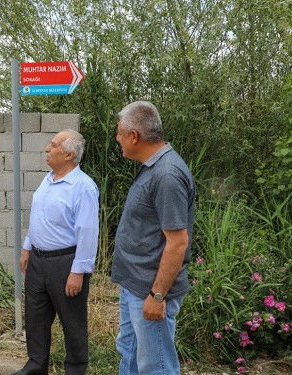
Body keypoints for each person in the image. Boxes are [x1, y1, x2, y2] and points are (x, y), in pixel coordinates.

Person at [111, 101, 195, 375]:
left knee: (155, 366)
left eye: (120, 133)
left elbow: (178, 242)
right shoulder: (152, 166)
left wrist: (157, 296)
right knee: (132, 356)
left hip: (149, 290)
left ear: (134, 136)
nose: (117, 138)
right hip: (135, 285)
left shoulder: (166, 174)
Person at [11, 129, 99, 375]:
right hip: (38, 261)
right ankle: (36, 366)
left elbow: (88, 232)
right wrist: (27, 247)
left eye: (53, 145)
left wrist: (78, 272)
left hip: (65, 264)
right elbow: (40, 218)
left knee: (73, 324)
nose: (47, 149)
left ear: (69, 154)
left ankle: (75, 370)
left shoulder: (83, 187)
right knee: (36, 319)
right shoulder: (48, 179)